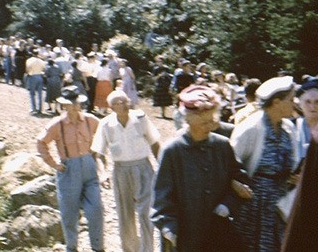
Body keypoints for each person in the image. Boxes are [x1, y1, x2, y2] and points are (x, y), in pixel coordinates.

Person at [151, 85, 252, 252]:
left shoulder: (222, 145)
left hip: (218, 232)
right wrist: (169, 228)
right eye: (205, 122)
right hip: (185, 235)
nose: (211, 125)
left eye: (213, 120)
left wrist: (227, 206)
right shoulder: (172, 151)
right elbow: (162, 197)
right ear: (188, 120)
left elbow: (240, 179)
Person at [230, 76, 299, 252]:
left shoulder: (288, 128)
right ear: (276, 102)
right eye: (291, 99)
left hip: (280, 202)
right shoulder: (251, 128)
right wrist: (236, 185)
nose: (295, 103)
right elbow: (228, 164)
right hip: (254, 205)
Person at [36, 86, 105, 252]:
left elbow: (104, 134)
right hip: (68, 169)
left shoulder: (90, 120)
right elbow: (41, 142)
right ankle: (71, 247)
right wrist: (54, 164)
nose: (75, 106)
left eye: (77, 103)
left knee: (96, 208)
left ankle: (98, 247)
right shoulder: (57, 124)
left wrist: (98, 157)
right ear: (64, 106)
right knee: (69, 213)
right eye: (71, 104)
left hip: (89, 168)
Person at [91, 89, 160, 252]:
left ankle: (147, 249)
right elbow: (98, 154)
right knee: (125, 216)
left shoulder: (141, 119)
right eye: (119, 102)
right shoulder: (106, 124)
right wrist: (103, 174)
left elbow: (155, 144)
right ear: (112, 107)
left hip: (143, 168)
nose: (124, 105)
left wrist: (162, 168)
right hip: (121, 171)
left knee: (146, 213)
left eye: (126, 101)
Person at [282, 78, 318, 251]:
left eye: (317, 102)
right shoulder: (291, 128)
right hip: (288, 196)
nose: (313, 107)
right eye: (308, 102)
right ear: (300, 104)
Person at [25, 50, 46, 114]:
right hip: (40, 76)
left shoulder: (29, 60)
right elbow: (44, 69)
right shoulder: (41, 61)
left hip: (32, 76)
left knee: (32, 93)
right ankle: (40, 109)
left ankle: (33, 108)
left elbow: (27, 69)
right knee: (40, 94)